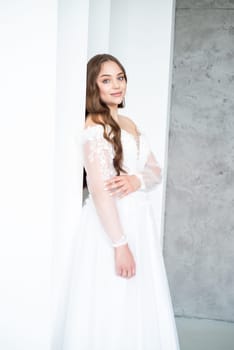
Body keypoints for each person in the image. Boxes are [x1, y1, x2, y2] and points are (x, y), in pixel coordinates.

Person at [62, 54, 180, 350]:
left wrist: (136, 180)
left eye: (121, 77)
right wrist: (120, 244)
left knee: (139, 297)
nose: (117, 85)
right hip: (113, 227)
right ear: (93, 87)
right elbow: (100, 192)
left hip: (140, 222)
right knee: (114, 297)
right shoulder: (94, 126)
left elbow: (154, 171)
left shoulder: (128, 122)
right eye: (106, 80)